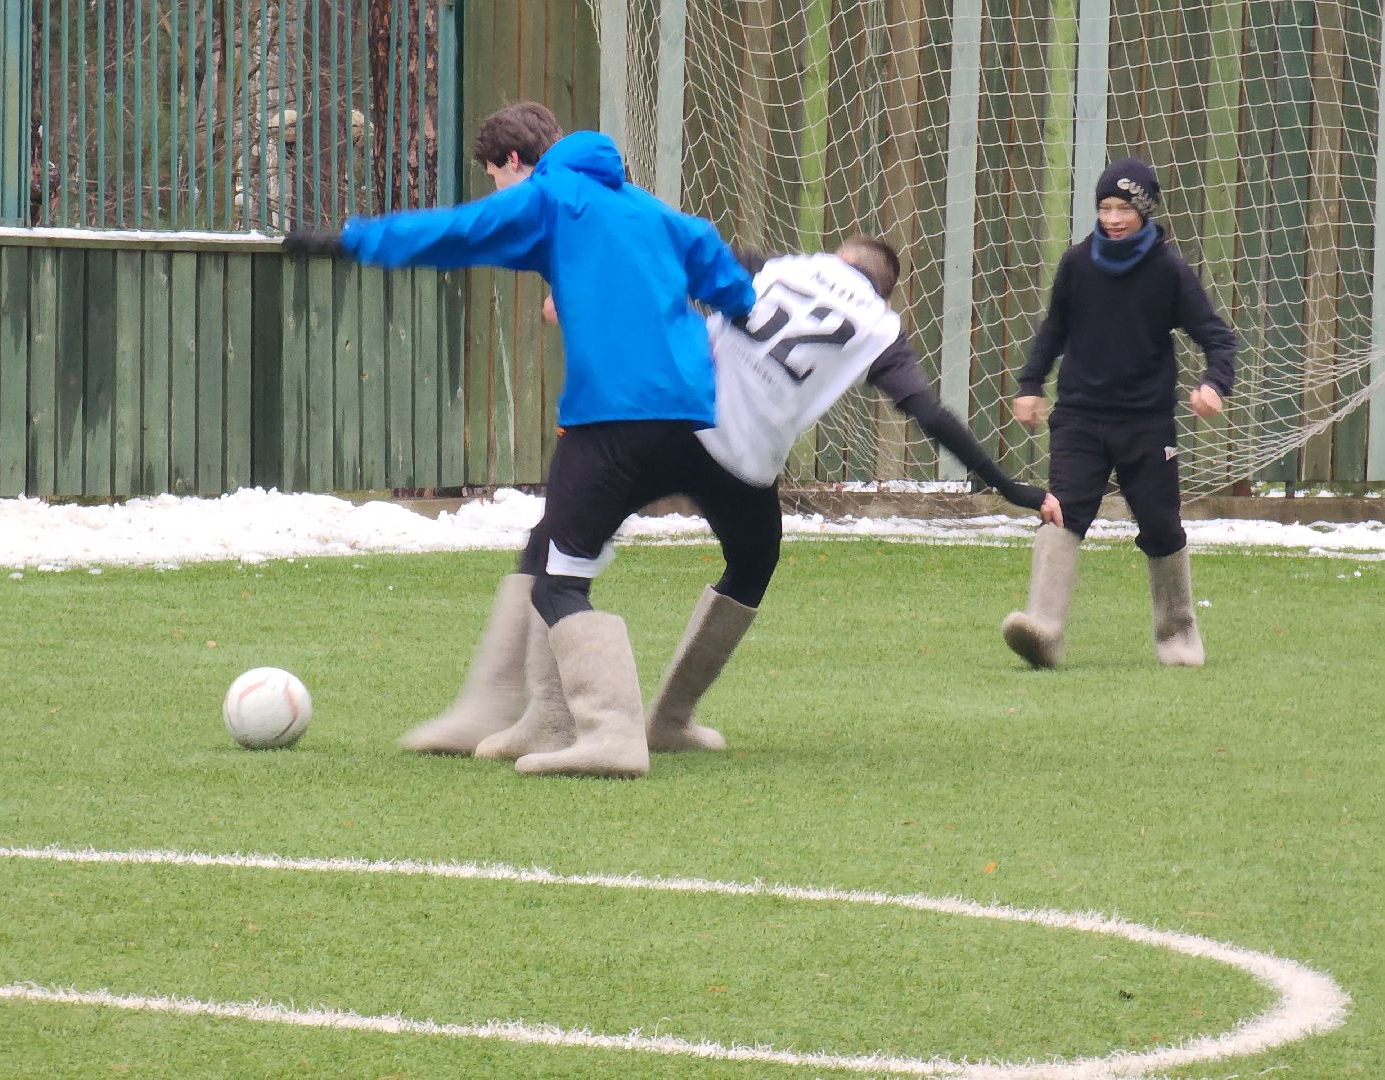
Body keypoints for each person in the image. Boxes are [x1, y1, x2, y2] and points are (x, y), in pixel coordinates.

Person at [428, 237, 1062, 765]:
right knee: (754, 563)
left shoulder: (782, 267)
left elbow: (670, 261)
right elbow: (928, 413)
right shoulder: (879, 326)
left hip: (668, 420)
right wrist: (1011, 487)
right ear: (885, 291)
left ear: (838, 258)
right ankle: (669, 720)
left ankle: (542, 716)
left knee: (561, 540)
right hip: (740, 463)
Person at [284, 101, 758, 780]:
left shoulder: (549, 196)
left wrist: (352, 240)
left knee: (559, 574)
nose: (498, 192)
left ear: (511, 162)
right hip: (695, 420)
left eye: (494, 177)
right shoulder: (648, 208)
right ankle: (541, 716)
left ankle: (609, 732)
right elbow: (726, 276)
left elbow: (458, 231)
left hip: (615, 416)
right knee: (552, 543)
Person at [1001, 157, 1236, 669]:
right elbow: (1053, 329)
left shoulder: (1169, 271)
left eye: (1123, 209)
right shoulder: (1077, 264)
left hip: (1147, 423)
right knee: (1061, 512)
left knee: (1161, 526)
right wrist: (1030, 385)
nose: (1111, 218)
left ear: (1145, 210)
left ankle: (1178, 637)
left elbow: (1218, 338)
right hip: (1080, 418)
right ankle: (1043, 629)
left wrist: (1214, 385)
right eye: (1104, 207)